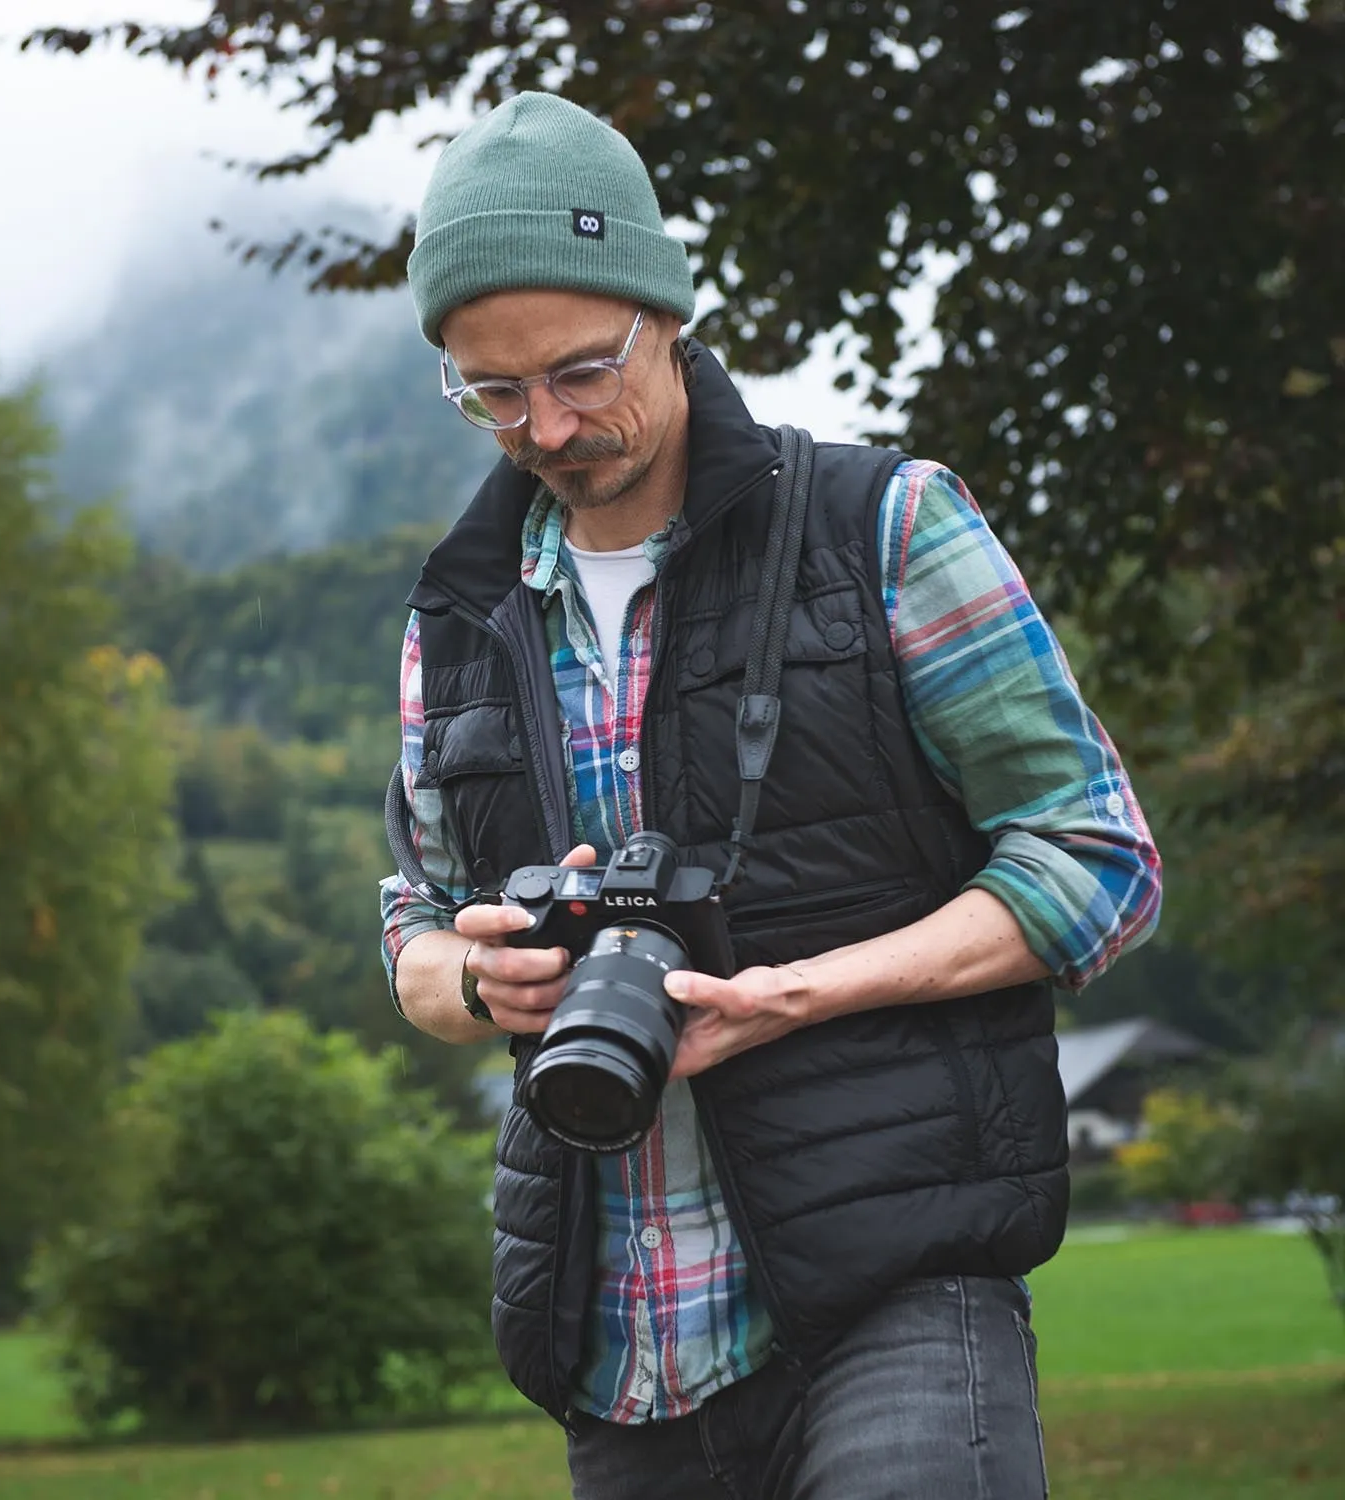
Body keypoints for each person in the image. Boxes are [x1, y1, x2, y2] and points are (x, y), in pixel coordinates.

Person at [380, 91, 1161, 1500]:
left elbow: (1098, 858)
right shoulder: (455, 622)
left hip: (899, 1284)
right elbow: (417, 922)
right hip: (610, 1336)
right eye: (492, 392)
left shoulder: (888, 528)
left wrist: (801, 993)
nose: (545, 426)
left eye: (578, 370)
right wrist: (466, 977)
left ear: (664, 314)